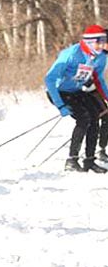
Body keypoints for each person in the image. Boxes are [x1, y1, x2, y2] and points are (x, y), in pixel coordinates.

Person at [45, 25, 108, 173]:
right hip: (59, 92)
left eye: (103, 42)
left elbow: (98, 79)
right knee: (84, 118)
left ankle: (89, 160)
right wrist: (60, 105)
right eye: (99, 42)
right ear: (90, 42)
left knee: (95, 117)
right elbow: (50, 79)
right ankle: (71, 160)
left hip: (76, 91)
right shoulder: (72, 53)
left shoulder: (99, 57)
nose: (101, 46)